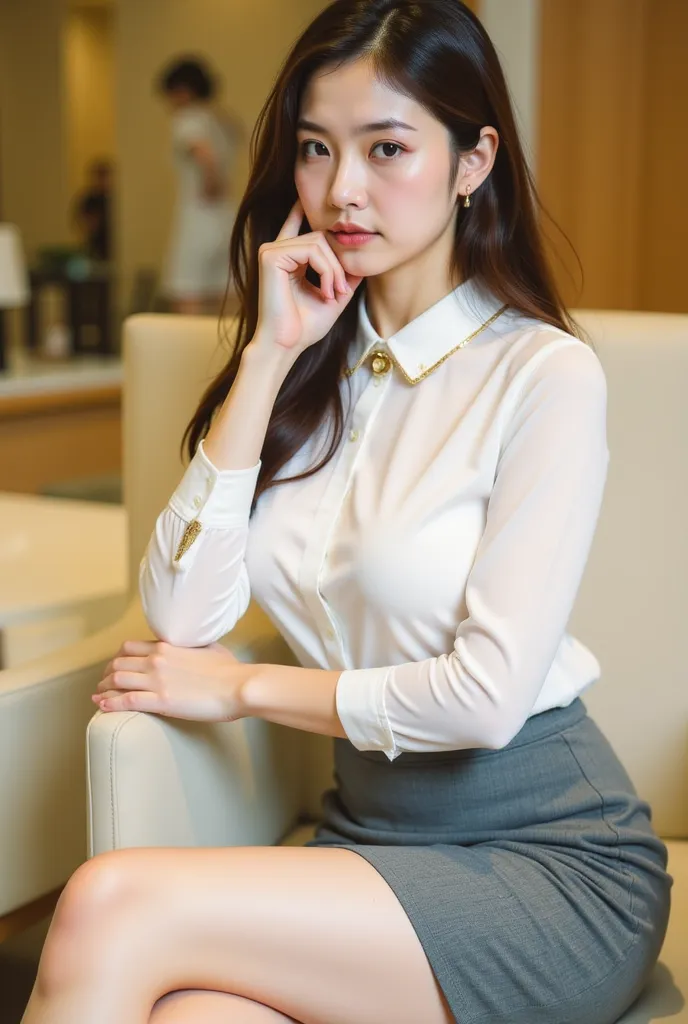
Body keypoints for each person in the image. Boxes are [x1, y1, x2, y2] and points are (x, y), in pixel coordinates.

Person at [23, 2, 671, 1022]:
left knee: (108, 902)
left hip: (548, 860)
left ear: (473, 160)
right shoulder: (304, 360)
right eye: (316, 150)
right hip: (369, 838)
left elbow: (487, 697)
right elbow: (181, 617)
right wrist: (270, 354)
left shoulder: (543, 374)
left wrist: (243, 693)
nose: (341, 190)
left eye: (388, 147)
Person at [158, 55, 241, 314]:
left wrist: (210, 181)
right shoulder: (219, 119)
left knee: (187, 291)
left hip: (198, 217)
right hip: (226, 218)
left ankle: (188, 354)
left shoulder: (187, 118)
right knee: (225, 292)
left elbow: (203, 153)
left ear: (182, 91)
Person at [72, 159, 113, 261]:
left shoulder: (115, 199)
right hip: (94, 248)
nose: (102, 180)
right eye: (99, 176)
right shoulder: (89, 198)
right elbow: (80, 220)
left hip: (113, 246)